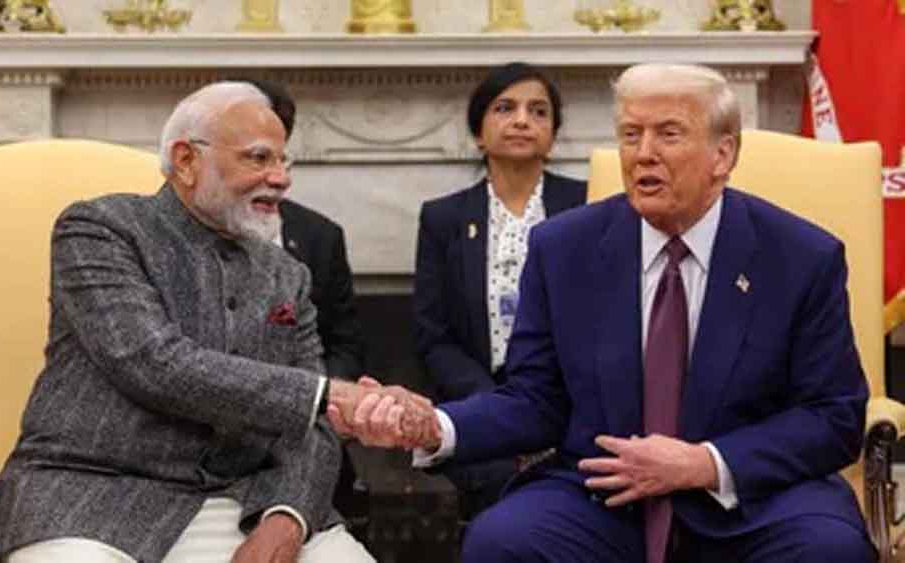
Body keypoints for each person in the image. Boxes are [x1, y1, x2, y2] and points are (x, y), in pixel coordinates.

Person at [341, 64, 876, 563]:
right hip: (606, 495)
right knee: (501, 541)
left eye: (668, 134)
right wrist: (434, 426)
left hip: (752, 496)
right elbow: (535, 399)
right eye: (630, 135)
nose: (643, 154)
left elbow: (833, 415)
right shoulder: (563, 248)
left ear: (723, 154)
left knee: (830, 549)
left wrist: (704, 463)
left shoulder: (800, 256)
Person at [0, 81, 430, 563]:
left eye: (284, 161)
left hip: (236, 499)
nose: (281, 178)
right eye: (259, 158)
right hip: (88, 495)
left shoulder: (287, 274)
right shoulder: (101, 229)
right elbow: (153, 362)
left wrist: (287, 517)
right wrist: (331, 395)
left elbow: (311, 427)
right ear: (186, 161)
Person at [413, 62, 587, 519]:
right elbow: (434, 336)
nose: (522, 120)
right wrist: (493, 407)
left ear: (553, 135)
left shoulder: (589, 205)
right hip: (481, 397)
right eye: (505, 108)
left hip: (572, 401)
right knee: (496, 484)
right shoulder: (444, 218)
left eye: (539, 111)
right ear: (478, 132)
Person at [250, 78, 369, 524]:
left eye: (275, 153)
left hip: (306, 424)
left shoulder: (320, 236)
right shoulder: (162, 239)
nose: (275, 174)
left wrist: (327, 405)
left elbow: (345, 342)